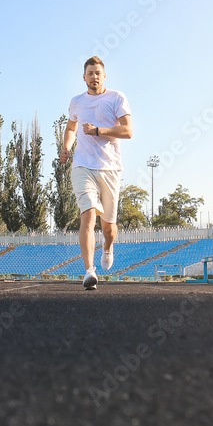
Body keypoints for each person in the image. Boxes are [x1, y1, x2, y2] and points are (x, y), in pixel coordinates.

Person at [60, 56, 133, 290]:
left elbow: (128, 131)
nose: (94, 77)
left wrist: (99, 131)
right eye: (90, 73)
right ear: (84, 77)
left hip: (110, 167)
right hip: (83, 165)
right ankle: (89, 271)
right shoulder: (76, 102)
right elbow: (71, 127)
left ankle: (108, 247)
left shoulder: (116, 98)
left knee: (109, 227)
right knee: (88, 214)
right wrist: (66, 148)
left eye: (98, 73)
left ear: (104, 76)